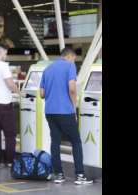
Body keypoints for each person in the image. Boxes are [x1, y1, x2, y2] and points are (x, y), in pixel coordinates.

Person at [39, 47, 93, 185]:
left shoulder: (48, 69)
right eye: (74, 59)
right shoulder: (70, 66)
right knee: (76, 141)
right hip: (65, 111)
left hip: (50, 112)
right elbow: (72, 89)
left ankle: (59, 175)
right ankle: (80, 175)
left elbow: (42, 94)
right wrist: (74, 108)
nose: (74, 61)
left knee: (55, 142)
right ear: (69, 56)